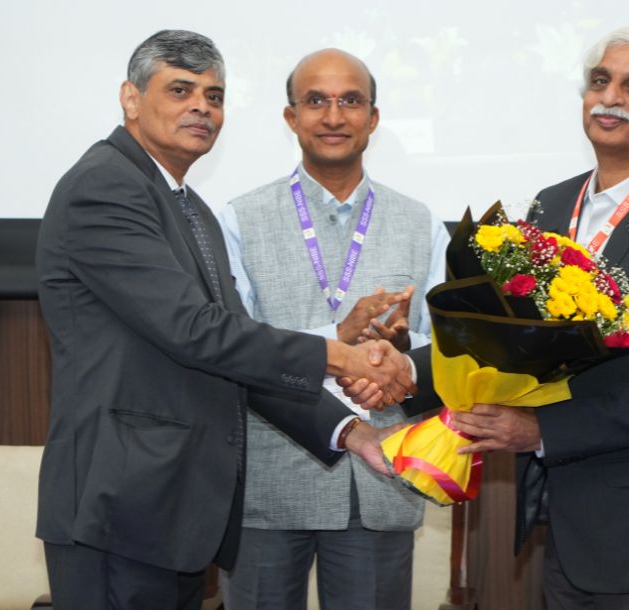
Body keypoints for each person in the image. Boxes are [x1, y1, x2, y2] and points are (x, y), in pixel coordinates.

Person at [362, 27, 629, 609]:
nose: (610, 97)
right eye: (599, 80)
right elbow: (505, 338)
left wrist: (541, 432)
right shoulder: (553, 203)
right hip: (561, 517)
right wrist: (408, 369)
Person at [34, 29, 411, 609]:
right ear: (131, 99)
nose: (201, 108)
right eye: (181, 90)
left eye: (214, 96)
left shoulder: (189, 207)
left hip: (173, 511)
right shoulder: (105, 186)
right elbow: (194, 331)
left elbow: (240, 355)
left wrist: (355, 434)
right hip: (119, 503)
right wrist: (339, 355)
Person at [217, 48, 450, 610]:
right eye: (315, 101)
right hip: (268, 486)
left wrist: (400, 354)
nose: (333, 116)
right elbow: (232, 344)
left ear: (373, 118)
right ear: (290, 117)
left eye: (351, 101)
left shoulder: (421, 222)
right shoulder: (237, 218)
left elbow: (449, 351)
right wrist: (337, 341)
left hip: (378, 484)